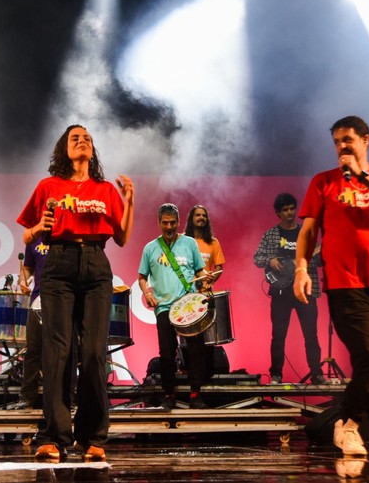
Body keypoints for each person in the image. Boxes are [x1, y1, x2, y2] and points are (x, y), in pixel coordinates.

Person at [293, 115, 369, 460]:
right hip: (345, 282)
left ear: (366, 140)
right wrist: (302, 269)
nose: (341, 147)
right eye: (336, 142)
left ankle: (347, 423)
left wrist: (362, 176)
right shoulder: (323, 182)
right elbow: (308, 231)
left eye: (348, 140)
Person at [17, 124, 134, 462]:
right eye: (74, 138)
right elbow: (28, 236)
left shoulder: (104, 189)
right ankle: (53, 436)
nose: (81, 141)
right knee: (59, 351)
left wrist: (129, 200)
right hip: (59, 264)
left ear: (92, 149)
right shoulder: (48, 186)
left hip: (97, 266)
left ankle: (93, 437)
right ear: (64, 149)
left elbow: (123, 237)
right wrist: (43, 227)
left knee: (96, 353)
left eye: (87, 138)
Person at [138, 203, 212, 410]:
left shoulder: (189, 243)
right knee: (167, 352)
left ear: (179, 222)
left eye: (172, 222)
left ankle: (195, 394)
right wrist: (147, 293)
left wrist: (205, 280)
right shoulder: (150, 248)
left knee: (196, 350)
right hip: (163, 307)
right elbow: (142, 277)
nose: (169, 226)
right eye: (165, 223)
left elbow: (199, 271)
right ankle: (169, 395)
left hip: (188, 305)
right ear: (159, 223)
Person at [253, 193, 325, 385]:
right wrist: (270, 259)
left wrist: (321, 251)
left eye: (292, 208)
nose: (290, 213)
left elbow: (319, 260)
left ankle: (317, 374)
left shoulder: (306, 233)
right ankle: (276, 374)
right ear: (278, 213)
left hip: (305, 291)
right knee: (278, 336)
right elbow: (257, 258)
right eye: (285, 210)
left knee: (311, 334)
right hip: (281, 293)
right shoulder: (270, 235)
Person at [17, 236, 48, 409]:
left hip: (63, 299)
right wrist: (24, 280)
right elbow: (28, 268)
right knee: (33, 349)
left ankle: (68, 397)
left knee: (65, 351)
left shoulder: (66, 234)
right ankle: (28, 396)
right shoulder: (33, 239)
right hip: (38, 299)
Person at [183, 205, 225, 285]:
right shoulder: (182, 240)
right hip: (185, 292)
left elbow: (219, 267)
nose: (201, 217)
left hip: (205, 292)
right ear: (191, 219)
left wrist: (211, 280)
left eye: (204, 216)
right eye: (198, 215)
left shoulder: (213, 242)